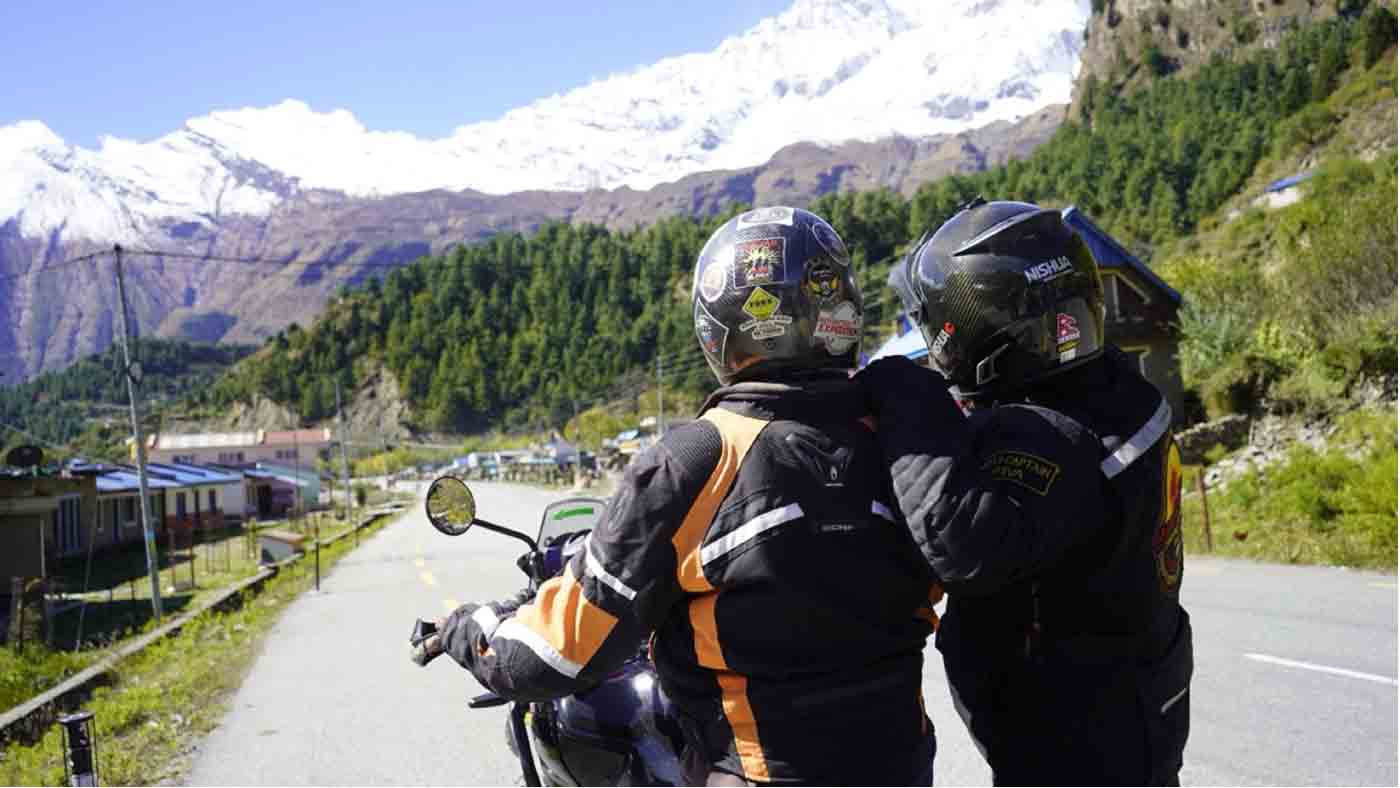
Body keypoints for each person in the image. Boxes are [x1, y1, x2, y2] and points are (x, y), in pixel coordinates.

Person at [420, 207, 940, 785]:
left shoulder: (695, 460)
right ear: (842, 310)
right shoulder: (907, 436)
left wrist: (470, 629)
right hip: (904, 768)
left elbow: (554, 652)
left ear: (716, 330)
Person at [860, 198, 1192, 786]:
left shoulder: (1053, 435)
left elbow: (959, 541)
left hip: (1075, 741)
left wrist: (904, 393)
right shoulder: (1119, 393)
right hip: (1134, 706)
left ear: (988, 328)